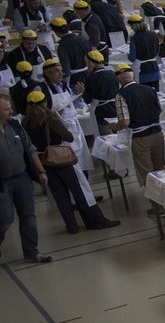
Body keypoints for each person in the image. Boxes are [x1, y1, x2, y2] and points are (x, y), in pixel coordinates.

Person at [23, 89, 115, 233]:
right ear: (45, 102)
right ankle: (94, 220)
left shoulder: (25, 122)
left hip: (43, 161)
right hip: (60, 159)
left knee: (60, 196)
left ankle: (71, 226)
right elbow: (68, 137)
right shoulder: (50, 119)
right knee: (79, 191)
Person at [0, 92, 51, 263]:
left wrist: (41, 171)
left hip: (22, 178)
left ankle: (31, 252)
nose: (11, 112)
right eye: (7, 109)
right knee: (5, 218)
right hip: (2, 184)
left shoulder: (15, 125)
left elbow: (30, 149)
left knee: (29, 216)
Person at [112, 64, 164, 213]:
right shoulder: (150, 89)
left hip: (140, 137)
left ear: (119, 79)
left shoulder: (121, 95)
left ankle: (157, 205)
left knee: (147, 172)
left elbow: (125, 122)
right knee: (160, 168)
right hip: (157, 133)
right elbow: (159, 109)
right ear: (132, 75)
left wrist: (114, 126)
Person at [126, 14, 161, 90]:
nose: (131, 28)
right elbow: (158, 50)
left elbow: (132, 58)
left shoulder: (135, 39)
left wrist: (127, 54)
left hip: (142, 71)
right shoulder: (154, 35)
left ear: (134, 26)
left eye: (131, 26)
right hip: (154, 68)